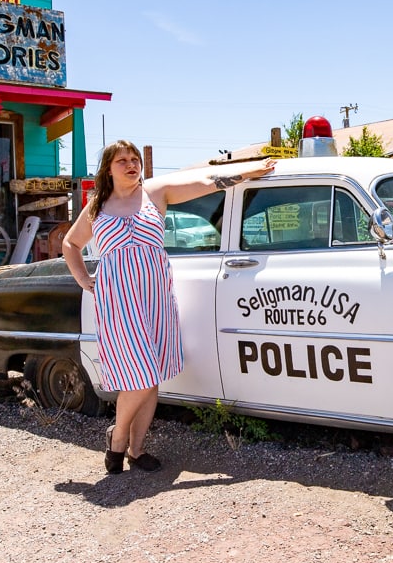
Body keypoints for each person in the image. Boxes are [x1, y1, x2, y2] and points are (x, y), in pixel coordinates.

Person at [62, 141, 275, 474]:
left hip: (155, 297)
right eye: (123, 161)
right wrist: (83, 279)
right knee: (140, 375)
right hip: (117, 300)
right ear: (108, 168)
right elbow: (71, 244)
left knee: (152, 375)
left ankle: (136, 449)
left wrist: (247, 170)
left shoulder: (155, 192)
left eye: (135, 159)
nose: (132, 165)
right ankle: (117, 439)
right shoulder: (96, 206)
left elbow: (207, 182)